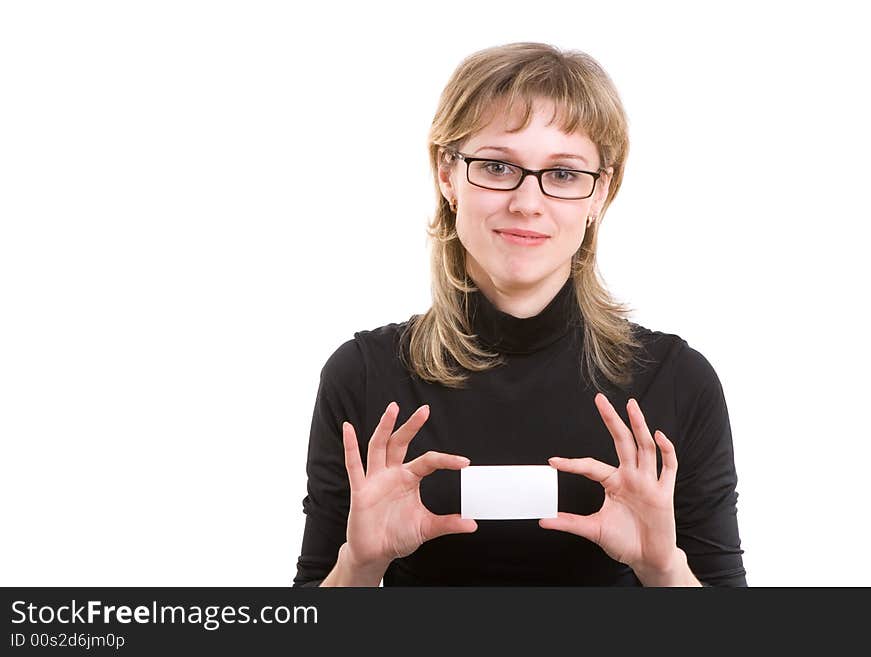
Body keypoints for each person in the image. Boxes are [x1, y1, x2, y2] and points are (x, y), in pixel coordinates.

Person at [293, 42, 747, 587]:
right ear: (447, 175)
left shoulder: (676, 381)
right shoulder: (363, 377)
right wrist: (360, 565)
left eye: (563, 174)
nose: (527, 202)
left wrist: (663, 568)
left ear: (600, 192)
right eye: (496, 166)